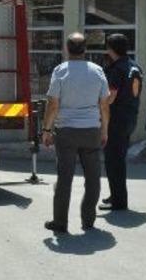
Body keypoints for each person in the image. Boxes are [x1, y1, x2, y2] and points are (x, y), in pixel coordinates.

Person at [42, 33, 111, 234]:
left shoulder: (60, 71)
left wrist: (47, 129)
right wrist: (104, 130)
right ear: (85, 50)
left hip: (67, 132)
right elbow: (104, 105)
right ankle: (88, 220)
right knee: (93, 177)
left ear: (67, 49)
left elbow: (53, 104)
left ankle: (60, 222)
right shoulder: (97, 71)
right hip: (91, 131)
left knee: (65, 179)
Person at [100, 33, 143, 212]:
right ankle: (116, 195)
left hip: (116, 120)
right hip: (129, 117)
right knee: (118, 159)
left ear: (111, 49)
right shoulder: (134, 66)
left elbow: (110, 98)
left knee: (113, 161)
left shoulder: (117, 69)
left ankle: (119, 201)